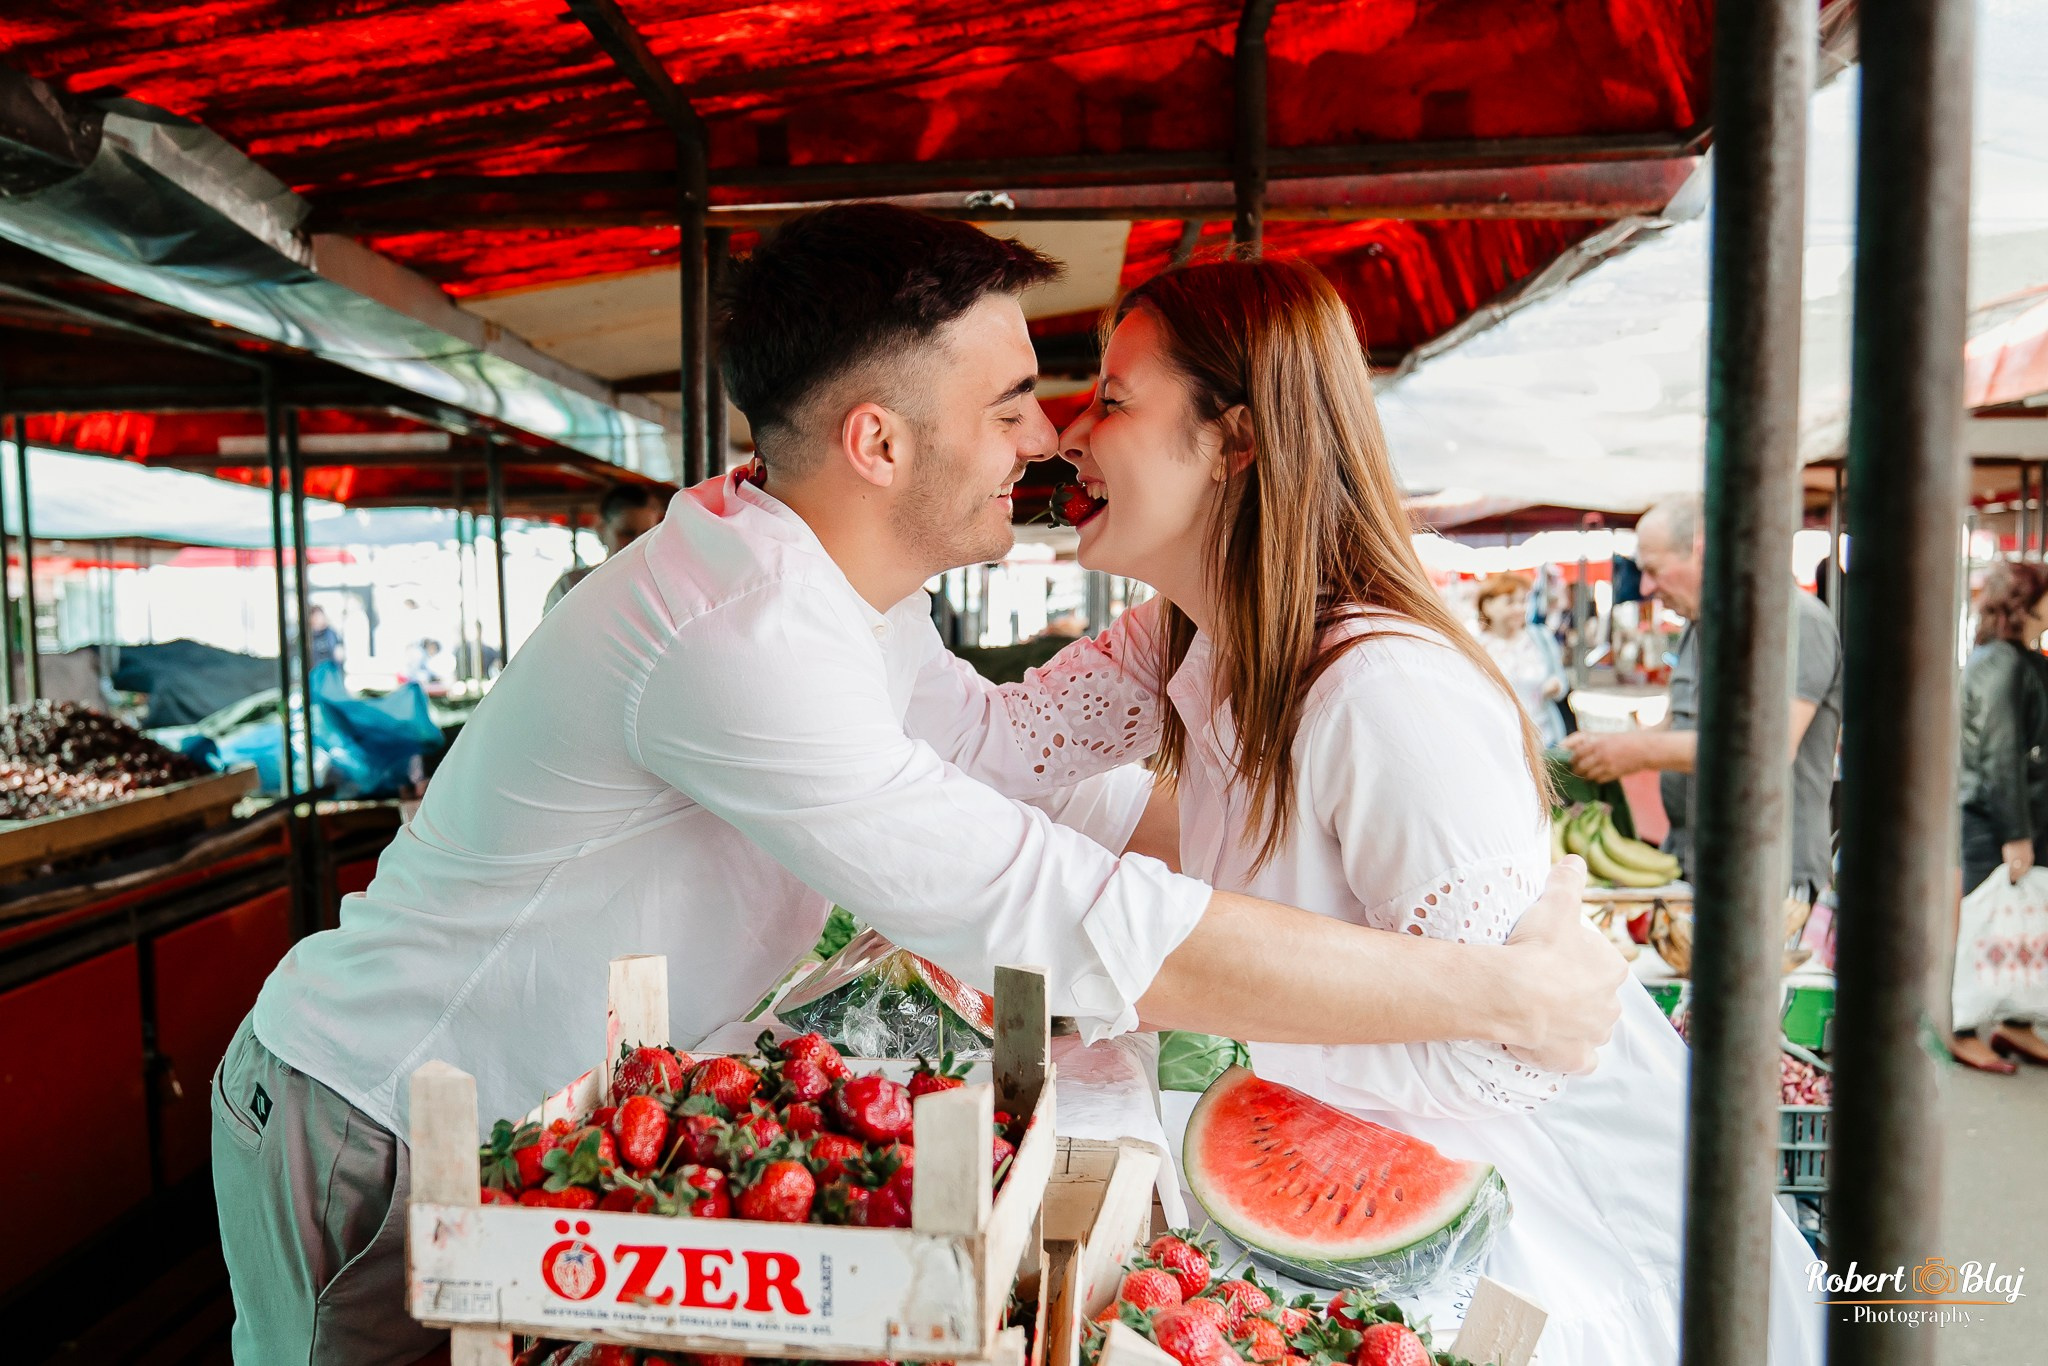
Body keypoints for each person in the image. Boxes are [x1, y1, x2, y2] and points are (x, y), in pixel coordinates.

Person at [213, 205, 1624, 1365]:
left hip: (541, 1124)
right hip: (381, 1110)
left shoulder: (854, 598)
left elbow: (998, 769)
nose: (1047, 437)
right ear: (880, 442)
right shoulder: (744, 636)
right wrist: (1499, 991)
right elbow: (1032, 899)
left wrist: (1182, 619)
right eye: (1013, 404)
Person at [1040, 258, 1819, 1363]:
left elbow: (1508, 1059)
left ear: (1237, 442)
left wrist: (1214, 1032)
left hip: (1525, 1242)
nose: (1067, 433)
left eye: (1111, 398)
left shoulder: (1381, 693)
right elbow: (989, 756)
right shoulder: (1202, 654)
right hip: (1361, 1228)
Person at [1563, 494, 1843, 919]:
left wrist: (1636, 753)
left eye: (1655, 571)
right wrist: (1611, 747)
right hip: (1694, 866)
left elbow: (1767, 749)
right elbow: (1684, 722)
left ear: (1702, 550)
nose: (1645, 588)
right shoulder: (1700, 625)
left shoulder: (1796, 622)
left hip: (1767, 878)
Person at [1952, 558, 2048, 1072]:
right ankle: (1960, 1027)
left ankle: (2016, 1023)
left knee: (2017, 928)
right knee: (1983, 927)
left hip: (2019, 819)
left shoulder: (2014, 659)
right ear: (2026, 602)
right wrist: (2016, 834)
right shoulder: (2001, 664)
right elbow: (2000, 751)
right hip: (1996, 824)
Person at [1471, 571, 1571, 746]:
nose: (1519, 609)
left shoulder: (1540, 638)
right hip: (1498, 742)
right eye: (1510, 602)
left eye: (1523, 601)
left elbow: (1561, 682)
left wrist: (1556, 686)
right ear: (1487, 606)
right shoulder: (1477, 647)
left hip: (1544, 741)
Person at [544, 482, 666, 611]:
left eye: (646, 534)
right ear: (601, 529)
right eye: (626, 533)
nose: (637, 542)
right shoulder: (572, 587)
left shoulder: (663, 588)